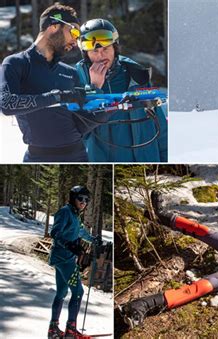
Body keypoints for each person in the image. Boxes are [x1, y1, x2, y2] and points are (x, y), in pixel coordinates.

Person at [0, 4, 89, 162]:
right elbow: (7, 104)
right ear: (53, 26)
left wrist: (105, 112)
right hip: (37, 157)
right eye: (74, 32)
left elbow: (81, 122)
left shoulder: (71, 72)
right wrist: (56, 97)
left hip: (78, 155)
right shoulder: (15, 63)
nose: (76, 41)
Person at [75, 19, 168, 162]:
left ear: (115, 48)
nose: (100, 56)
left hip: (144, 161)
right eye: (94, 51)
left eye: (105, 49)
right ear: (86, 54)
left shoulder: (136, 75)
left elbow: (160, 126)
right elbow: (76, 132)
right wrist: (94, 88)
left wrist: (165, 159)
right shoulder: (76, 80)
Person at [47, 186, 100, 339]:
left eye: (86, 200)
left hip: (64, 258)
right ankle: (71, 330)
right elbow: (55, 232)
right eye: (80, 198)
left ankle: (53, 329)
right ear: (73, 198)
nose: (84, 202)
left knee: (62, 293)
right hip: (64, 259)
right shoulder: (65, 212)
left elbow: (81, 231)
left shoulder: (75, 215)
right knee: (78, 292)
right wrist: (69, 245)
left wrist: (94, 240)